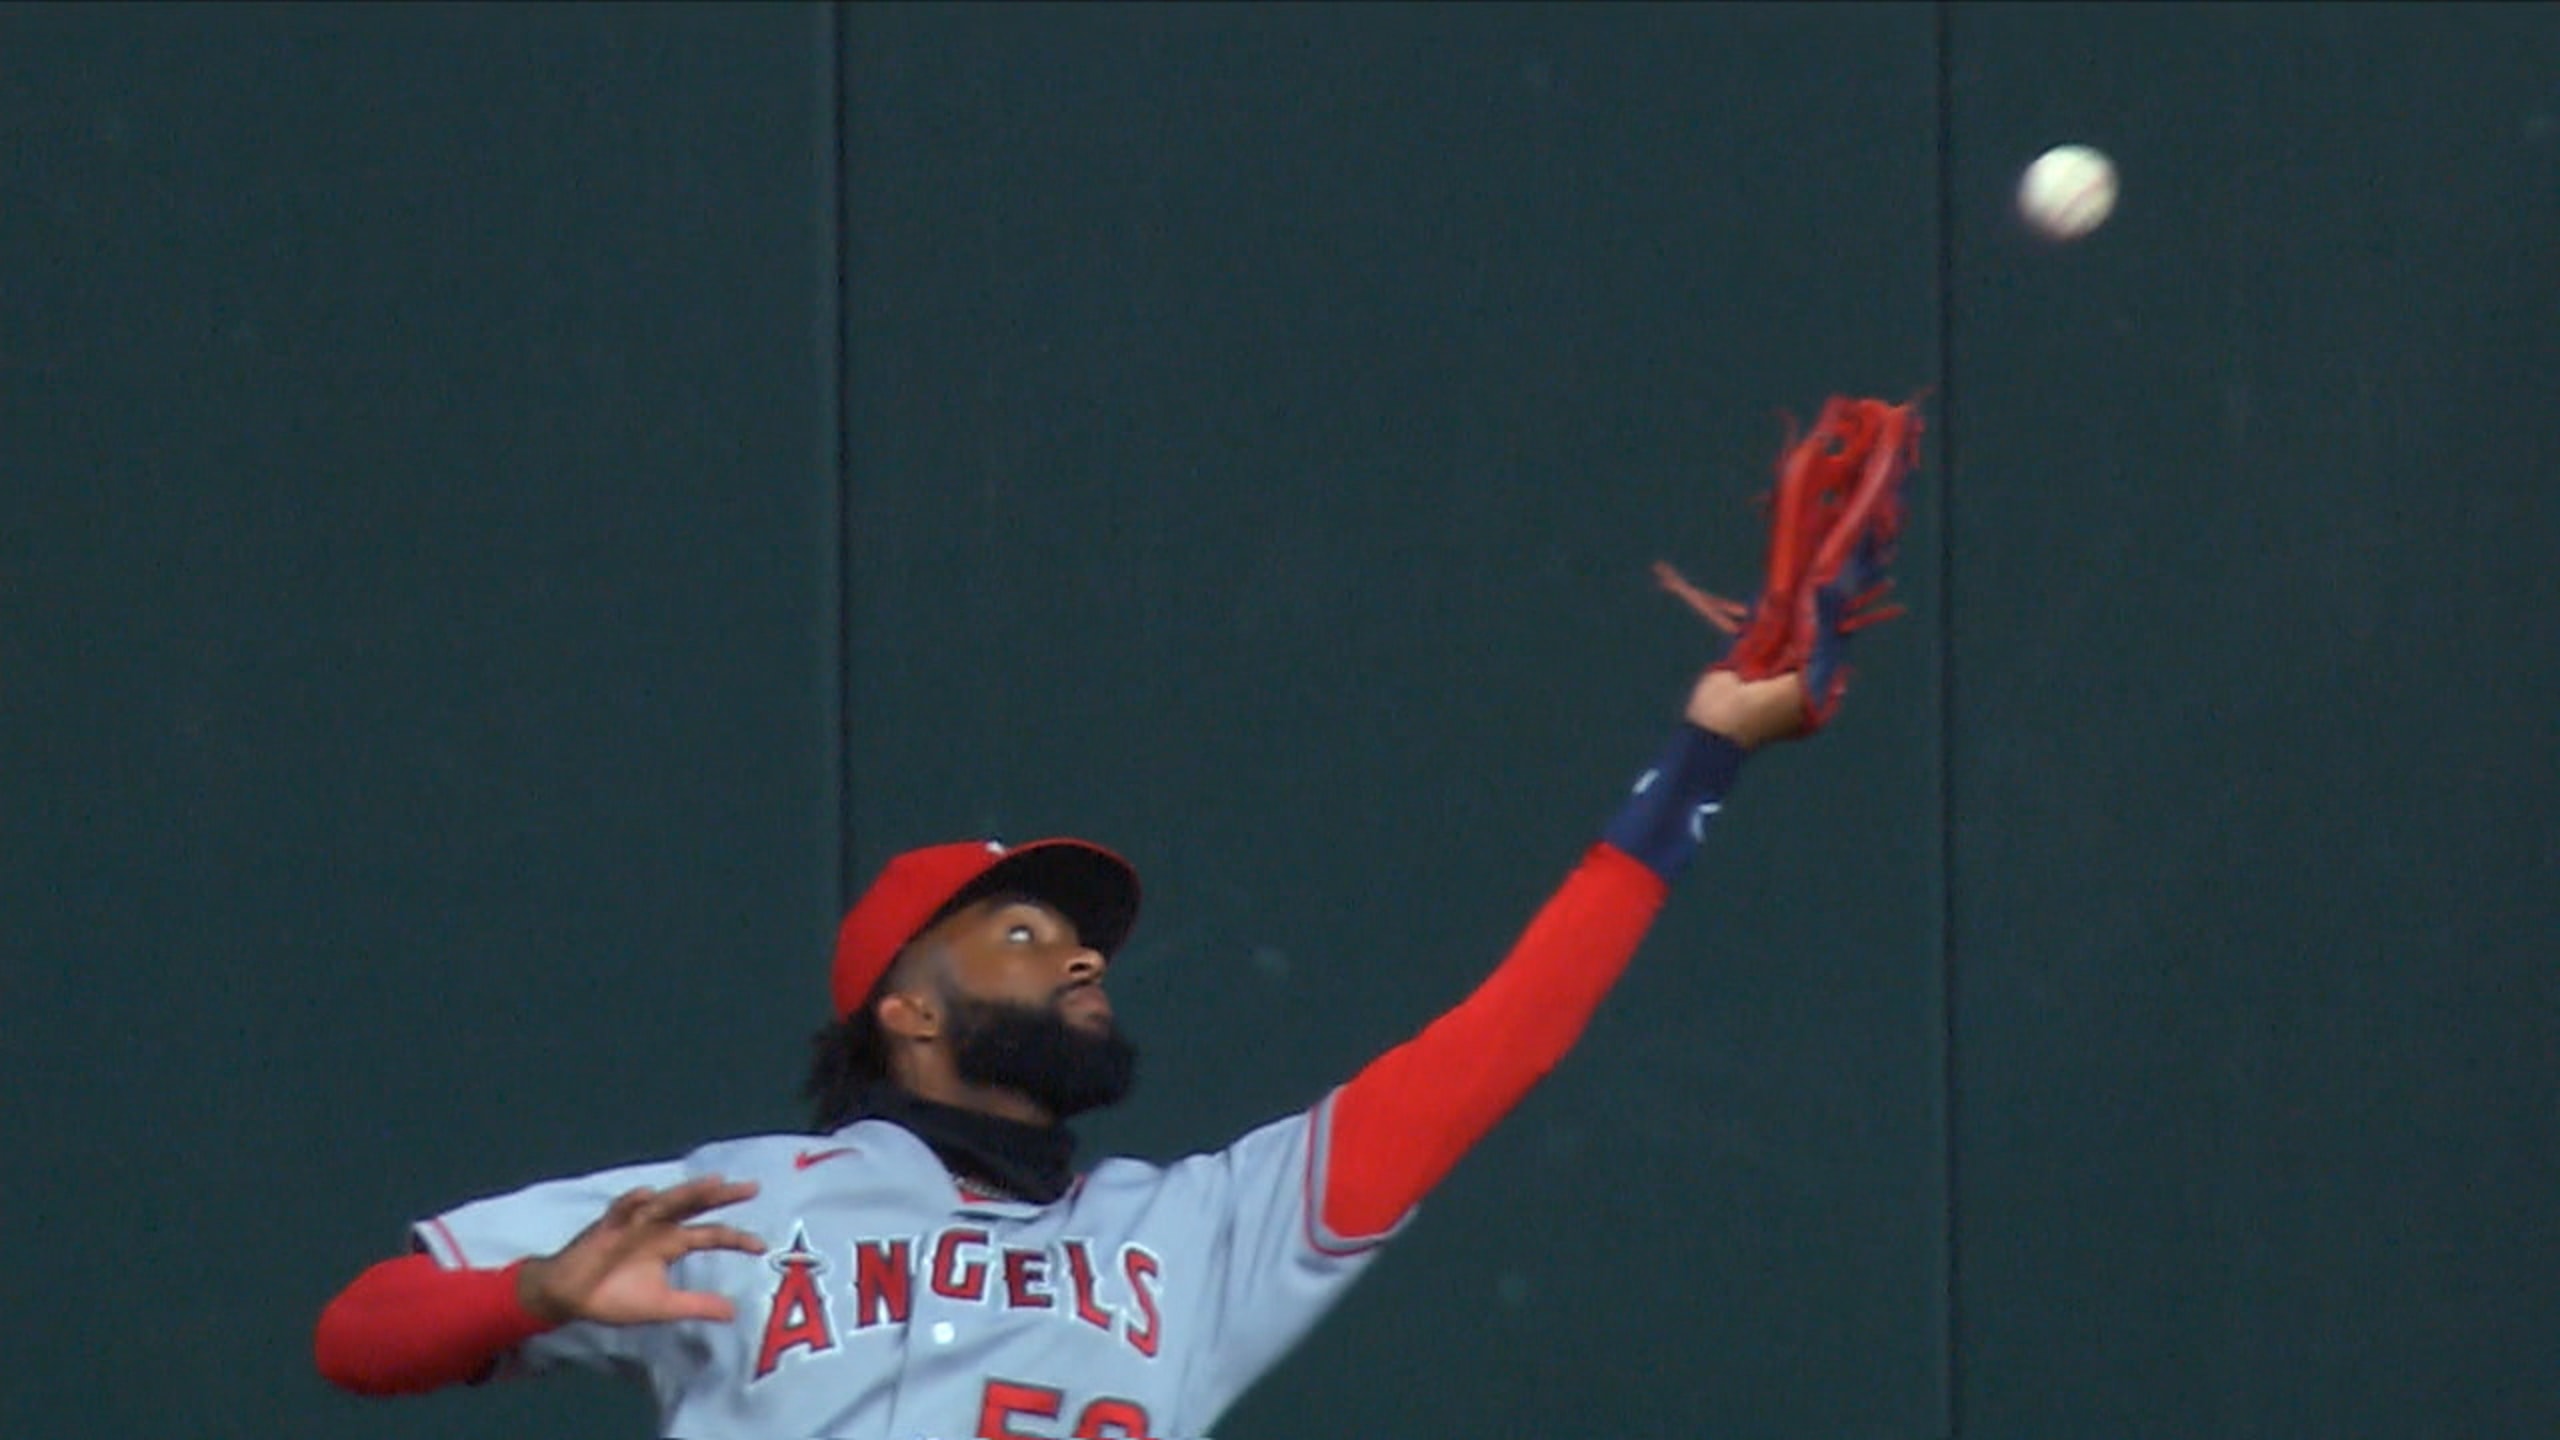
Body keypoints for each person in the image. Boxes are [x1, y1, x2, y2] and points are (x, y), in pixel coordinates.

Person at [312, 396, 1919, 1440]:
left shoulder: (1196, 1233)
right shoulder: (736, 1212)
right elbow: (359, 1333)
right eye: (1020, 932)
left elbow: (1505, 1042)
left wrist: (1699, 753)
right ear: (908, 1005)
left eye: (1086, 936)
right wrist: (529, 1298)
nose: (1081, 953)